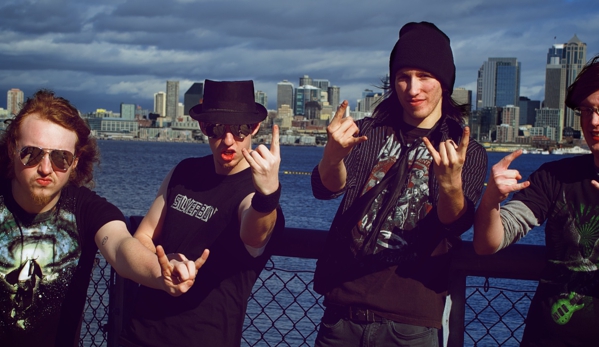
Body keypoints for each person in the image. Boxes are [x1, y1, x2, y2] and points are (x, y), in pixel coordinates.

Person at [311, 21, 488, 346]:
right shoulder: (368, 131)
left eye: (424, 77)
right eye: (403, 77)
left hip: (410, 325)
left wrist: (450, 185)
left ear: (444, 83)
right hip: (340, 315)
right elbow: (325, 188)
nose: (412, 88)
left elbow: (456, 225)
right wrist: (333, 157)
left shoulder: (466, 151)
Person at [0, 90, 208, 347]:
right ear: (12, 149)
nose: (45, 168)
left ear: (75, 162)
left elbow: (121, 247)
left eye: (60, 158)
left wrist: (160, 271)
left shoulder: (86, 210)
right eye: (30, 153)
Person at [119, 79, 285, 347]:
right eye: (217, 128)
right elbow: (143, 237)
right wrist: (161, 269)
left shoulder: (252, 194)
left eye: (240, 129)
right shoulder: (184, 172)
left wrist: (268, 196)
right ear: (203, 127)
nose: (228, 140)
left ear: (254, 128)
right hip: (139, 334)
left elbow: (254, 234)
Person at [473, 54, 599, 346]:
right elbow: (487, 242)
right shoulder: (555, 177)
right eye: (586, 110)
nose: (593, 121)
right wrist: (492, 198)